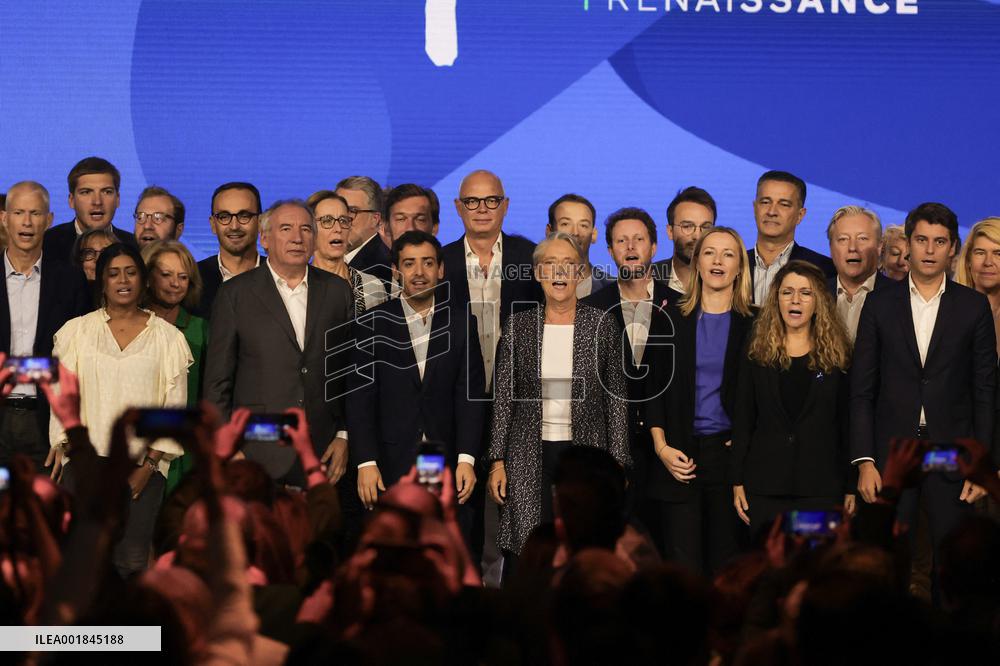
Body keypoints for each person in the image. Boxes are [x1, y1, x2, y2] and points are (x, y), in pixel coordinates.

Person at [851, 202, 997, 575]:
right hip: (892, 454)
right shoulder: (878, 304)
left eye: (939, 241)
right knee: (888, 565)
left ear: (953, 249)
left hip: (952, 454)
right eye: (921, 240)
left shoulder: (973, 306)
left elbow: (984, 391)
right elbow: (862, 389)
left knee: (952, 566)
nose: (929, 250)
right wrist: (865, 460)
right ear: (908, 245)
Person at [486, 231, 630, 571]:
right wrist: (496, 461)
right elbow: (504, 397)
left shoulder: (602, 325)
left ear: (581, 273)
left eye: (569, 265)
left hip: (586, 453)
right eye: (551, 264)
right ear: (538, 274)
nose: (560, 273)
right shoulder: (520, 326)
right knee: (528, 549)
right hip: (527, 453)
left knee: (583, 546)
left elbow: (617, 399)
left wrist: (619, 463)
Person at [48, 243, 193, 577]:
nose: (122, 280)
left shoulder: (168, 339)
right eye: (113, 273)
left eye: (130, 272)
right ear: (101, 281)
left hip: (140, 468)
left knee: (130, 562)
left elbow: (174, 407)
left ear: (142, 280)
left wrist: (150, 464)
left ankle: (130, 631)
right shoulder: (77, 332)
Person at [203, 199, 354, 486]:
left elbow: (348, 372)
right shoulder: (235, 294)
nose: (297, 238)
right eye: (286, 228)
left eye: (306, 229)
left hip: (323, 453)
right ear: (265, 238)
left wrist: (343, 435)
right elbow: (217, 383)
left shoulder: (337, 292)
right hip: (255, 454)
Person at [347, 230, 486, 512]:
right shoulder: (372, 324)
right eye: (409, 263)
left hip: (442, 460)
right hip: (388, 462)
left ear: (441, 269)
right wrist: (366, 462)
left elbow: (469, 398)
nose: (419, 272)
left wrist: (466, 459)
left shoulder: (461, 323)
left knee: (439, 545)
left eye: (428, 263)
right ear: (396, 271)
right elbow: (359, 399)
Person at [645, 226, 756, 573]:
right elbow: (652, 386)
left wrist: (744, 441)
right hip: (678, 456)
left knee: (726, 567)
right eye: (709, 253)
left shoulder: (757, 322)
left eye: (728, 254)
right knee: (683, 569)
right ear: (697, 263)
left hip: (729, 460)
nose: (718, 261)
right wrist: (661, 447)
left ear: (740, 266)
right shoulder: (669, 317)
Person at [731, 260, 854, 534]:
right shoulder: (757, 352)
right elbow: (744, 418)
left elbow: (846, 424)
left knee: (814, 571)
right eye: (787, 292)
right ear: (776, 298)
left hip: (821, 487)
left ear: (818, 301)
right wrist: (737, 479)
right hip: (765, 487)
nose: (795, 300)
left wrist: (850, 485)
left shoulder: (838, 356)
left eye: (805, 293)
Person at [581, 207, 675, 517]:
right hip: (610, 450)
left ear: (654, 247)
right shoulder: (591, 308)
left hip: (667, 448)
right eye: (622, 241)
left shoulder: (680, 306)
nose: (631, 247)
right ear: (610, 250)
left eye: (639, 239)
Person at [1, 181, 90, 471]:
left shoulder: (70, 281)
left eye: (36, 213)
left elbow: (80, 360)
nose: (27, 222)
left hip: (48, 423)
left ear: (49, 220)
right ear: (4, 218)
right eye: (18, 212)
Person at [141, 239, 209, 495]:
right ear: (147, 277)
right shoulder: (131, 326)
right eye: (166, 275)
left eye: (183, 276)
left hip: (186, 453)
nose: (175, 283)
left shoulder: (201, 329)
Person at [746, 170, 835, 305]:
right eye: (765, 202)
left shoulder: (824, 270)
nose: (771, 212)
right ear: (754, 208)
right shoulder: (733, 266)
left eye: (784, 204)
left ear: (800, 215)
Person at [305, 190, 386, 316]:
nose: (338, 229)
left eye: (343, 221)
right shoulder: (299, 286)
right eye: (327, 221)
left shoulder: (372, 287)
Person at [43, 156, 136, 264]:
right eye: (86, 192)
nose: (97, 201)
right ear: (71, 200)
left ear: (118, 199)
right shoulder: (47, 243)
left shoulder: (133, 246)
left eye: (107, 192)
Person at [826, 205, 894, 342]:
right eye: (843, 239)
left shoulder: (900, 297)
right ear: (831, 248)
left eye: (862, 239)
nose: (852, 248)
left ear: (879, 246)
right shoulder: (815, 293)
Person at [195, 182, 263, 318]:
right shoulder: (193, 278)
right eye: (224, 217)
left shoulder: (280, 276)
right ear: (213, 224)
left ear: (260, 222)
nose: (234, 226)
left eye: (244, 216)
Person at [652, 186, 717, 294]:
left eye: (705, 227)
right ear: (670, 231)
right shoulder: (648, 277)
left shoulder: (727, 280)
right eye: (687, 226)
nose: (697, 235)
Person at [546, 193, 614, 298]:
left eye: (583, 225)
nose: (575, 233)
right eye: (565, 224)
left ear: (594, 234)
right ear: (549, 232)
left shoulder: (613, 290)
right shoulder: (529, 288)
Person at [336, 176, 392, 289]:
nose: (343, 219)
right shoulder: (324, 256)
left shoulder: (381, 268)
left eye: (352, 211)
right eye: (339, 209)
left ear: (374, 219)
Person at [954, 217, 1000, 357]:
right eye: (980, 253)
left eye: (998, 254)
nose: (988, 262)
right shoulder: (948, 311)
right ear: (968, 260)